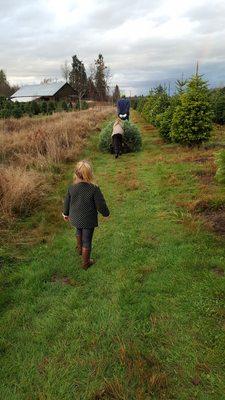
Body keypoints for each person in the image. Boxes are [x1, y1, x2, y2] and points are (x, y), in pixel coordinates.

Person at [62, 160, 110, 270]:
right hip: (88, 220)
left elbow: (67, 202)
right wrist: (106, 214)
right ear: (90, 173)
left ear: (76, 173)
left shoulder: (71, 188)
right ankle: (86, 263)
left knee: (78, 230)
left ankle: (80, 250)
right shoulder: (93, 188)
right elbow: (100, 204)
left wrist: (65, 213)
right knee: (87, 240)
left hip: (75, 218)